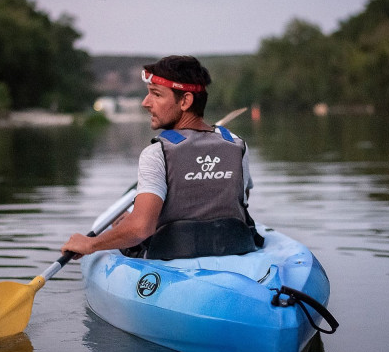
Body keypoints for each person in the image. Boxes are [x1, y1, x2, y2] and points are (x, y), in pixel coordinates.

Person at [62, 55, 262, 260]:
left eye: (156, 95)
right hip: (235, 248)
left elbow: (141, 228)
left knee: (128, 225)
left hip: (174, 254)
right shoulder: (237, 145)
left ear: (185, 101)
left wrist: (91, 243)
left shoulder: (157, 152)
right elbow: (240, 199)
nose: (145, 103)